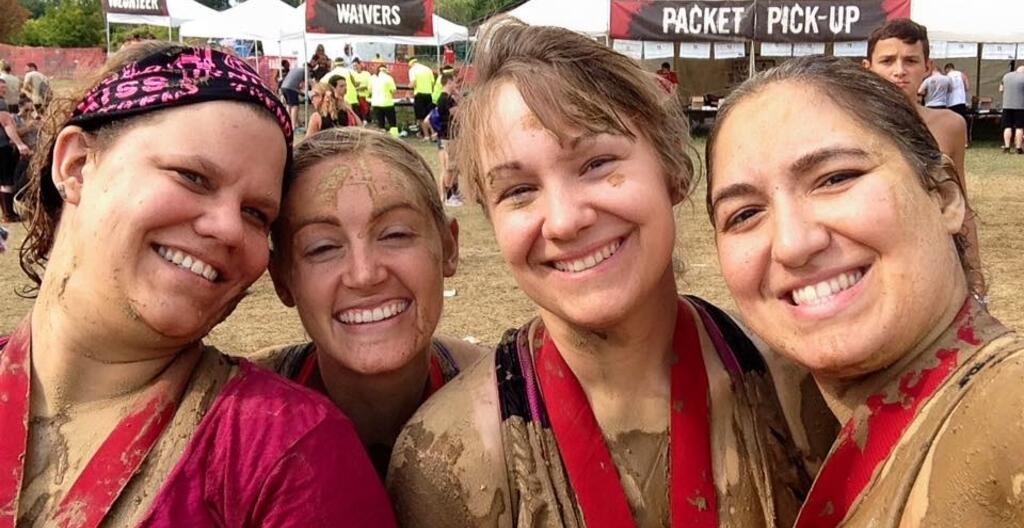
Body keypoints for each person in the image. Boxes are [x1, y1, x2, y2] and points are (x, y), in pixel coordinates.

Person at [387, 18, 813, 527]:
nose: (565, 221)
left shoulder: (800, 391)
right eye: (518, 190)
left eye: (595, 164)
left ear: (673, 168)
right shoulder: (448, 457)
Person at [0, 42, 396, 527]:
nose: (229, 229)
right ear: (77, 164)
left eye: (256, 214)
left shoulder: (283, 451)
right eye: (192, 177)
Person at [707, 54, 1024, 528]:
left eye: (836, 178)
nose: (793, 244)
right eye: (745, 214)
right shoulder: (793, 433)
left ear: (943, 196)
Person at [256, 127, 481, 477]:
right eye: (323, 248)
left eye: (395, 234)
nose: (364, 275)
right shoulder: (237, 421)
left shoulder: (513, 401)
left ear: (448, 248)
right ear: (282, 279)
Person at [863, 19, 983, 296]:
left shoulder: (949, 125)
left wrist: (975, 277)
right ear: (867, 68)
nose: (899, 71)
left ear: (928, 67)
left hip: (935, 261)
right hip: (876, 265)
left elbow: (961, 206)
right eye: (888, 61)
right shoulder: (849, 127)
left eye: (910, 61)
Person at [0, 79, 31, 223]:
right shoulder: (1, 103)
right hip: (2, 146)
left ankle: (6, 213)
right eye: (1, 88)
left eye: (4, 88)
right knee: (7, 181)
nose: (4, 91)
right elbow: (6, 123)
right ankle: (9, 215)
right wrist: (19, 144)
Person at [434, 72, 460, 206]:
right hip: (447, 137)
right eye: (454, 82)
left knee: (452, 167)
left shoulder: (446, 98)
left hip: (448, 136)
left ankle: (451, 195)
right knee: (448, 168)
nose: (456, 85)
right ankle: (447, 197)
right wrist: (459, 97)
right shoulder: (445, 99)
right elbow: (458, 114)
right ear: (449, 82)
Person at [1000, 64, 1024, 154]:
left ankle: (1007, 147)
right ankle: (1018, 148)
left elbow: (1001, 89)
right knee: (1019, 127)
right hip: (1020, 106)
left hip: (1007, 105)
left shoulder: (1006, 76)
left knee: (1007, 126)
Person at [408, 58, 435, 138]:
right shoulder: (428, 69)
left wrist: (409, 86)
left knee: (421, 117)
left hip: (419, 95)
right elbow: (432, 83)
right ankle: (433, 134)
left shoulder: (412, 70)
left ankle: (426, 135)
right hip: (429, 94)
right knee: (429, 117)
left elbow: (413, 83)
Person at [371, 64, 397, 133]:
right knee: (392, 123)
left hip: (376, 103)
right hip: (387, 103)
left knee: (380, 124)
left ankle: (381, 138)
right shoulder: (389, 78)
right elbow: (393, 91)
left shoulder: (373, 78)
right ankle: (394, 136)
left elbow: (370, 90)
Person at [279, 64, 306, 130]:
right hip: (291, 88)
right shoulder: (305, 71)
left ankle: (288, 123)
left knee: (289, 105)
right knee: (295, 106)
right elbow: (305, 84)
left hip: (283, 87)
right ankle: (293, 126)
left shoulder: (294, 69)